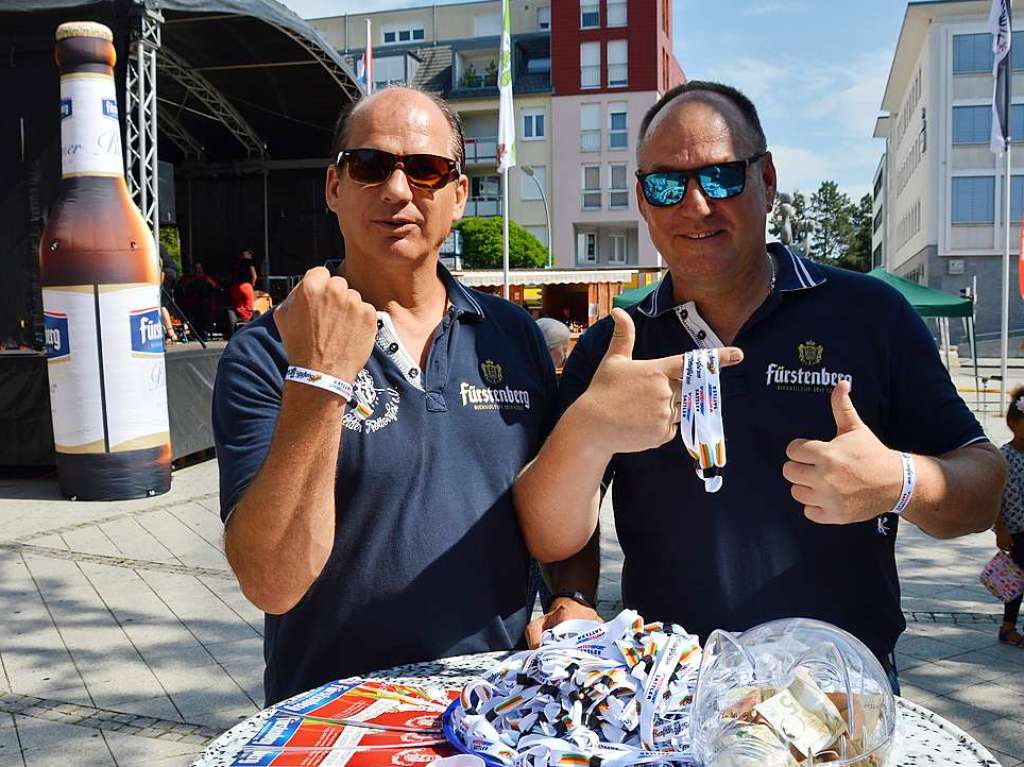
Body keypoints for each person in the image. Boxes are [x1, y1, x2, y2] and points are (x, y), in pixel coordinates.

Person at [514, 81, 1006, 691]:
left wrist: (901, 481)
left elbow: (984, 487)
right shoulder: (615, 345)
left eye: (720, 177)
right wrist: (574, 593)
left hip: (838, 694)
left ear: (766, 180)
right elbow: (557, 528)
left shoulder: (869, 316)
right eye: (666, 184)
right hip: (672, 694)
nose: (695, 205)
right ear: (643, 202)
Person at [212, 86, 556, 705]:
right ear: (333, 187)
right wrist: (320, 376)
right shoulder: (266, 350)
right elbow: (271, 581)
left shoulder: (516, 337)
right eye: (370, 167)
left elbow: (554, 508)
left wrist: (573, 598)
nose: (398, 191)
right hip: (334, 719)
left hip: (492, 713)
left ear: (459, 195)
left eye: (426, 170)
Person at [995, 385, 1024, 647]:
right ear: (1013, 423)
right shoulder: (1003, 457)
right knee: (1016, 579)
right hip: (1016, 531)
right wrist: (1000, 529)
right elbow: (995, 498)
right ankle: (1008, 626)